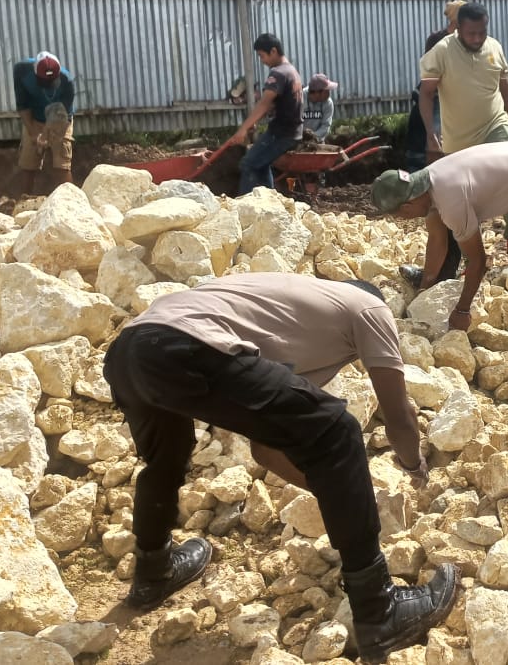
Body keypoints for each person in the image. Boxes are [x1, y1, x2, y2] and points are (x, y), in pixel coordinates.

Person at [102, 274, 458, 663]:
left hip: (128, 352)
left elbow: (267, 448)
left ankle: (153, 572)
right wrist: (413, 465)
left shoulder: (281, 312)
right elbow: (399, 418)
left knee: (166, 459)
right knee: (339, 430)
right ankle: (379, 610)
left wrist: (342, 498)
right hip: (186, 346)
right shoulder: (369, 306)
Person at [371, 141, 508, 397]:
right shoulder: (424, 185)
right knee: (452, 232)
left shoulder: (450, 200)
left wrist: (463, 310)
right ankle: (443, 283)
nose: (404, 220)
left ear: (407, 205)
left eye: (399, 216)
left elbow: (478, 261)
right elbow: (438, 240)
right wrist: (425, 290)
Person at [418, 1, 508, 246]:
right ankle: (471, 253)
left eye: (482, 32)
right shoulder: (442, 51)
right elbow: (426, 93)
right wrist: (430, 134)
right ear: (458, 29)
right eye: (471, 33)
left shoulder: (494, 47)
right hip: (459, 139)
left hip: (494, 124)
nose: (477, 38)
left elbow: (505, 90)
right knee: (462, 199)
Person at [233, 33, 304, 195]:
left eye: (262, 55)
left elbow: (264, 103)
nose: (262, 60)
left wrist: (243, 128)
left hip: (281, 133)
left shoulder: (278, 73)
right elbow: (275, 103)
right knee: (261, 164)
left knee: (249, 163)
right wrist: (254, 122)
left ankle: (245, 203)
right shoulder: (291, 71)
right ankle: (270, 200)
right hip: (291, 131)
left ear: (273, 51)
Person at [407, 0, 467, 171]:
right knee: (432, 136)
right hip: (436, 95)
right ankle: (423, 172)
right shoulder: (437, 39)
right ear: (457, 20)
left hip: (450, 97)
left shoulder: (464, 40)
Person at [14, 51, 76, 195]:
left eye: (51, 82)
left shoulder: (67, 81)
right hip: (34, 118)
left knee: (62, 165)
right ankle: (24, 202)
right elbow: (22, 106)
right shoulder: (21, 71)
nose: (48, 86)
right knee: (28, 164)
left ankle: (72, 201)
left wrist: (47, 134)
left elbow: (64, 114)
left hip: (59, 118)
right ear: (35, 73)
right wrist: (33, 133)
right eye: (44, 82)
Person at [303, 73, 337, 142]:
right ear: (317, 92)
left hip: (317, 140)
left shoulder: (328, 103)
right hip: (298, 139)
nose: (329, 92)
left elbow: (326, 125)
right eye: (327, 90)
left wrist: (314, 138)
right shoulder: (299, 98)